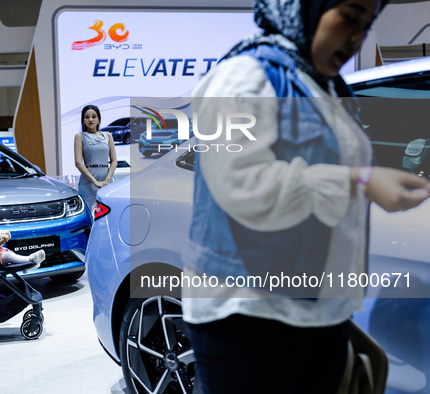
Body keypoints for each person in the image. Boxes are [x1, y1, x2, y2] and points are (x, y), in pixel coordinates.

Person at [181, 1, 430, 393]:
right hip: (248, 315)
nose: (357, 36)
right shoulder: (240, 77)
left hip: (316, 309)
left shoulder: (322, 86)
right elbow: (243, 184)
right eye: (349, 17)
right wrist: (358, 181)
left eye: (368, 23)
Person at [0, 206, 45, 274]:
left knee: (11, 254)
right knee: (8, 256)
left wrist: (6, 234)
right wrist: (0, 237)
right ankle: (30, 259)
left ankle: (28, 266)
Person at [74, 105, 117, 215]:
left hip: (107, 181)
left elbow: (114, 161)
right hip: (88, 182)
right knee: (90, 214)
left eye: (94, 116)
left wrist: (107, 181)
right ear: (83, 120)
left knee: (109, 213)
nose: (91, 120)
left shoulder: (108, 135)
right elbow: (78, 163)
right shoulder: (80, 136)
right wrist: (95, 182)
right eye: (87, 117)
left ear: (99, 119)